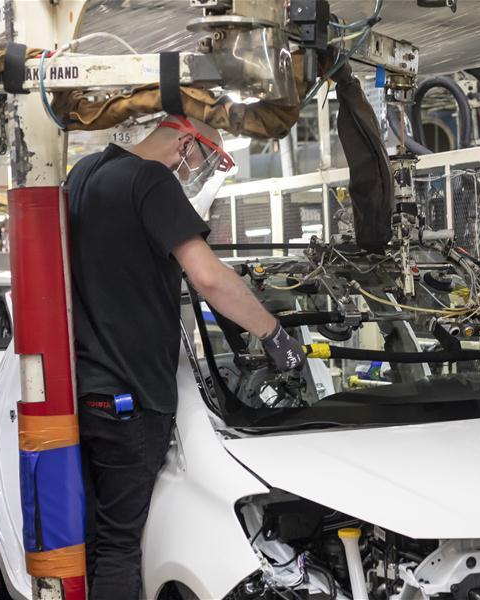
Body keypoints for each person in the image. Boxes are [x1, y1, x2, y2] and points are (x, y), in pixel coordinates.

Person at [65, 114, 306, 599]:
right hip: (134, 397)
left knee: (90, 538)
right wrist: (275, 335)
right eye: (209, 158)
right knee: (119, 547)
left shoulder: (83, 173)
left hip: (84, 391)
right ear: (184, 143)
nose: (199, 170)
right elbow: (210, 278)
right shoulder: (150, 180)